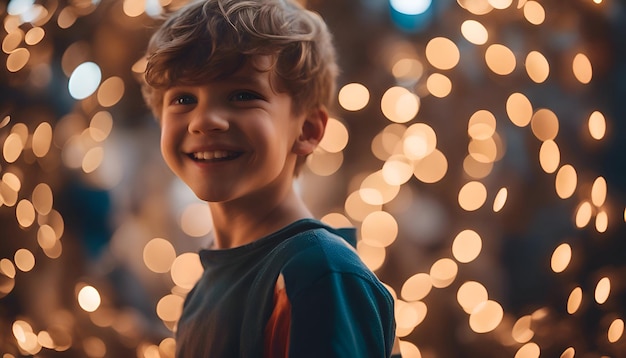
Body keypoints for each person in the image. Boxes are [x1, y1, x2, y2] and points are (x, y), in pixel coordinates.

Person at [141, 0, 400, 356]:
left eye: (243, 95)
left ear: (307, 129)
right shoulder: (201, 292)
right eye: (184, 98)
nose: (204, 120)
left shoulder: (318, 274)